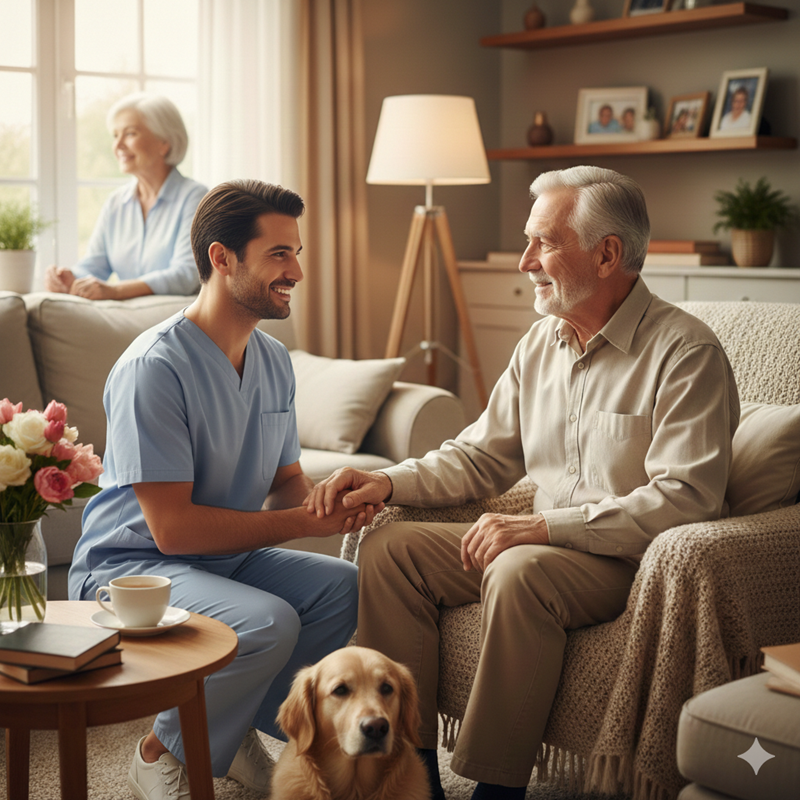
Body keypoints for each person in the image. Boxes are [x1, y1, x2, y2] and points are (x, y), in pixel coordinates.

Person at [305, 166, 740, 800]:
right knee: (389, 549)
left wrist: (542, 527)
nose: (524, 261)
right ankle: (409, 775)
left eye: (544, 243)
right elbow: (480, 456)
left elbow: (685, 499)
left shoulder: (685, 352)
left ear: (607, 254)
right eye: (527, 241)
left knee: (517, 568)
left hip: (633, 562)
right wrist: (386, 483)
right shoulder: (539, 344)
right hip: (543, 546)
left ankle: (496, 789)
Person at [68, 179, 380, 800]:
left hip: (223, 559)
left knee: (343, 587)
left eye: (297, 253)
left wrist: (332, 500)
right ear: (222, 258)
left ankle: (226, 727)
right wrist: (302, 524)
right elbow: (173, 531)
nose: (296, 272)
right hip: (133, 569)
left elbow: (285, 484)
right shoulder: (153, 368)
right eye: (279, 254)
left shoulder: (273, 359)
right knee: (268, 622)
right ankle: (159, 751)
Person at [45, 92, 207, 300]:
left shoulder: (195, 198)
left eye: (130, 134)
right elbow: (96, 265)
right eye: (115, 135)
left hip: (175, 313)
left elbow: (187, 274)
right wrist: (70, 278)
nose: (118, 145)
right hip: (127, 313)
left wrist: (116, 290)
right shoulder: (116, 202)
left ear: (164, 143)